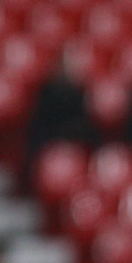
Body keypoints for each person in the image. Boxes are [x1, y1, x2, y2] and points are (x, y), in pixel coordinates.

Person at [23, 48, 99, 186]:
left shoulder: (80, 93)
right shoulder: (48, 92)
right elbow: (42, 125)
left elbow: (85, 127)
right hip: (50, 142)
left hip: (75, 143)